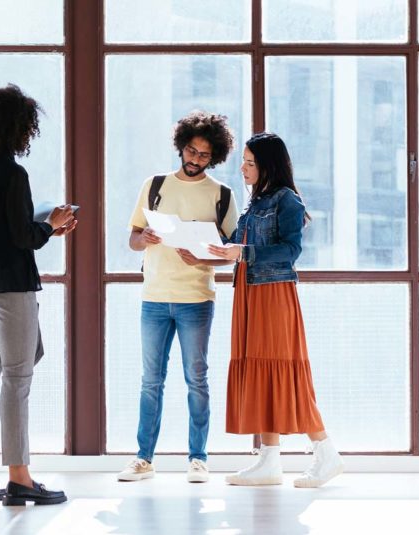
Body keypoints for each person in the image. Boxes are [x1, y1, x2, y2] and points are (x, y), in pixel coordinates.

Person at [0, 85, 77, 506]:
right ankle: (20, 478)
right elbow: (24, 237)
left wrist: (39, 223)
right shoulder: (13, 173)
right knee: (18, 380)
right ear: (21, 128)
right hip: (10, 288)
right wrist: (52, 224)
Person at [207, 132, 344, 488]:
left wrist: (243, 253)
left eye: (250, 163)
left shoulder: (288, 201)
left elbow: (289, 251)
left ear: (268, 165)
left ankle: (326, 452)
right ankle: (269, 460)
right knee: (261, 372)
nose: (243, 168)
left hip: (274, 295)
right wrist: (202, 252)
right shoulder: (255, 202)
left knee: (286, 374)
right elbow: (235, 246)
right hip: (250, 293)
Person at [117, 111, 238, 484]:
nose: (195, 159)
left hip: (197, 298)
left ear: (213, 157)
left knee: (196, 379)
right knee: (151, 380)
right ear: (181, 146)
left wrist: (201, 255)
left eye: (203, 155)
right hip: (154, 296)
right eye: (190, 151)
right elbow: (133, 238)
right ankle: (143, 458)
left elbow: (232, 250)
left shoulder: (221, 195)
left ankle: (198, 458)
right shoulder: (154, 185)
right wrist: (146, 240)